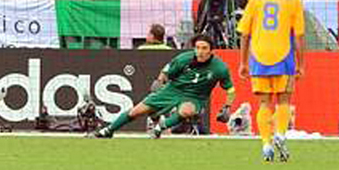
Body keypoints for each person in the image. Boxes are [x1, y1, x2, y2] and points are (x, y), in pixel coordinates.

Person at [93, 34, 235, 138]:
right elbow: (167, 71)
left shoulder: (220, 68)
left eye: (204, 48)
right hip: (173, 89)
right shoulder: (184, 58)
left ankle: (161, 126)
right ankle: (108, 130)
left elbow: (230, 89)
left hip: (195, 96)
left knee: (187, 111)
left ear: (211, 50)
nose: (200, 51)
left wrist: (227, 107)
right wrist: (159, 81)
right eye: (197, 48)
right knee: (136, 111)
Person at [237, 0, 306, 163]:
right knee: (284, 101)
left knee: (264, 103)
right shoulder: (293, 1)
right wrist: (301, 64)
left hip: (258, 57)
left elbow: (244, 33)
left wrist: (243, 62)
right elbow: (299, 36)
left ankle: (266, 144)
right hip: (283, 56)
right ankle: (281, 134)